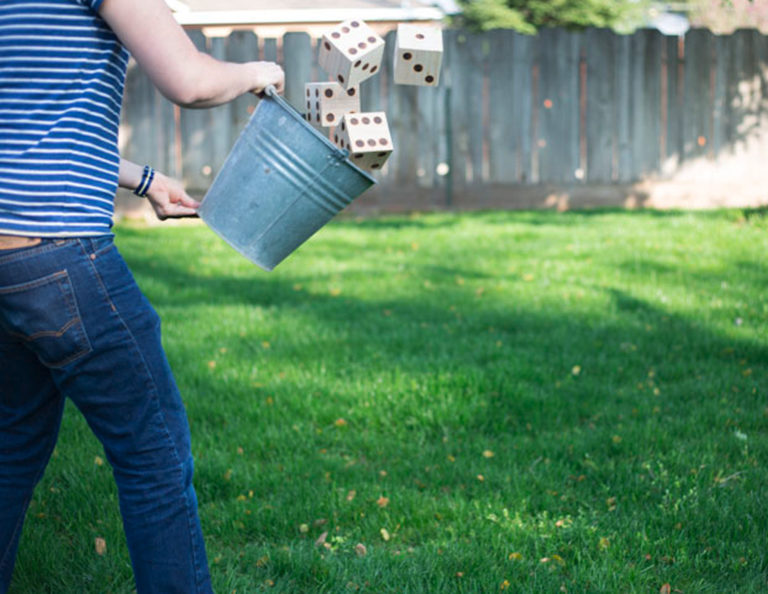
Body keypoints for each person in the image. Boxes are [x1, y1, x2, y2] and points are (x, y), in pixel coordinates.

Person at [0, 0, 284, 591]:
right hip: (59, 258)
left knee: (12, 449)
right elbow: (191, 81)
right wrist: (259, 72)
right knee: (153, 457)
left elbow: (28, 124)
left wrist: (144, 180)